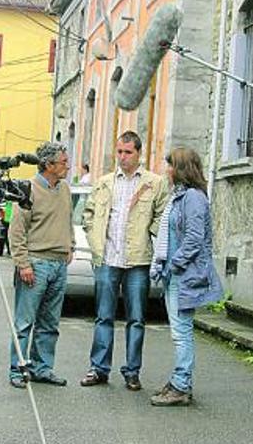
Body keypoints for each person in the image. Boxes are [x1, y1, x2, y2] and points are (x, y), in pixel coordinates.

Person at [79, 131, 168, 391]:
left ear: (138, 153)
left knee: (136, 318)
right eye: (119, 152)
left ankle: (132, 371)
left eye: (128, 152)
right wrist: (95, 239)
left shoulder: (154, 182)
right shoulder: (105, 182)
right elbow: (89, 213)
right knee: (103, 316)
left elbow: (162, 215)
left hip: (137, 260)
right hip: (108, 257)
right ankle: (98, 368)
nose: (122, 157)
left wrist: (149, 234)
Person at [148, 148, 224, 406]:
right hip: (176, 273)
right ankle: (180, 381)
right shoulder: (179, 197)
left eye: (169, 165)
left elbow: (194, 239)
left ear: (181, 169)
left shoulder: (193, 198)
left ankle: (180, 386)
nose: (165, 170)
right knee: (180, 331)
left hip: (183, 275)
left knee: (182, 332)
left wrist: (172, 266)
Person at [7, 141, 74, 388]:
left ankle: (42, 368)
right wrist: (23, 264)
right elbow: (17, 231)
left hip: (59, 264)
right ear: (48, 165)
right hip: (35, 263)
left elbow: (67, 219)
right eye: (64, 162)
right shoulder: (29, 189)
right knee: (24, 322)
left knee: (50, 323)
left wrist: (71, 245)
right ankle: (17, 369)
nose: (68, 166)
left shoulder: (64, 189)